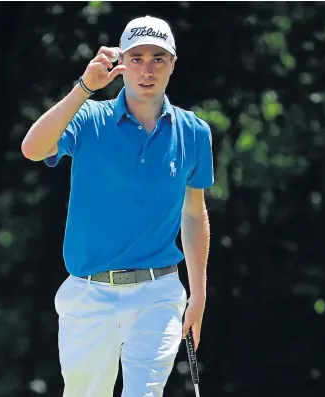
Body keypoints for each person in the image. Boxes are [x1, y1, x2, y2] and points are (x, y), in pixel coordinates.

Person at [22, 15, 214, 397]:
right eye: (137, 57)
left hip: (158, 292)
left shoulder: (193, 132)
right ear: (120, 63)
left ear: (173, 64)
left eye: (158, 58)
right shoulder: (89, 118)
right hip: (89, 293)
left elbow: (193, 214)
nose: (147, 69)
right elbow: (33, 148)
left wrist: (199, 294)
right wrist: (84, 88)